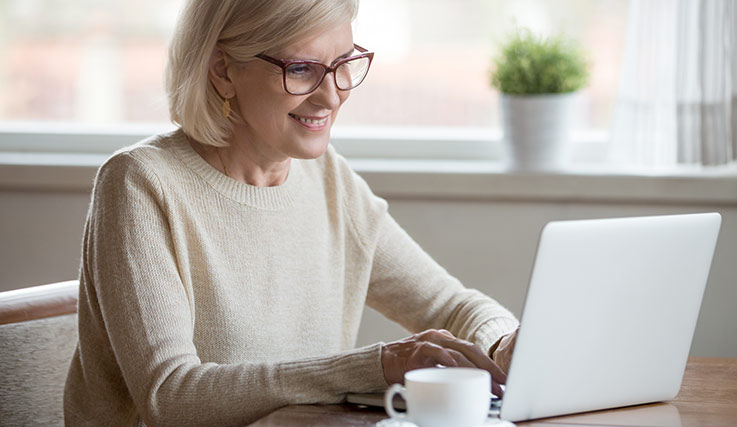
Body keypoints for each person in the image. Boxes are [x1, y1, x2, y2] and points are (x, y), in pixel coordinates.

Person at [63, 0, 520, 425]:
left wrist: (505, 345)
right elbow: (170, 396)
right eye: (301, 69)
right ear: (223, 70)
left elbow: (450, 306)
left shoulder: (327, 178)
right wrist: (376, 365)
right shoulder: (140, 183)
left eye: (343, 64)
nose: (331, 97)